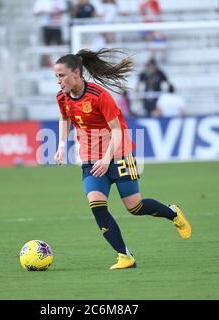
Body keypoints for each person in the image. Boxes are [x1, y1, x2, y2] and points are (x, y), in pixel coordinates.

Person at [53, 48, 191, 270]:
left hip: (119, 153)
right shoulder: (62, 97)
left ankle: (173, 212)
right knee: (97, 205)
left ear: (77, 74)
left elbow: (117, 131)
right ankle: (125, 256)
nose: (59, 81)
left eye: (62, 76)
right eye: (56, 77)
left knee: (134, 207)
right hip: (90, 159)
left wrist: (107, 159)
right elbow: (63, 118)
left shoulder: (99, 96)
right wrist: (60, 146)